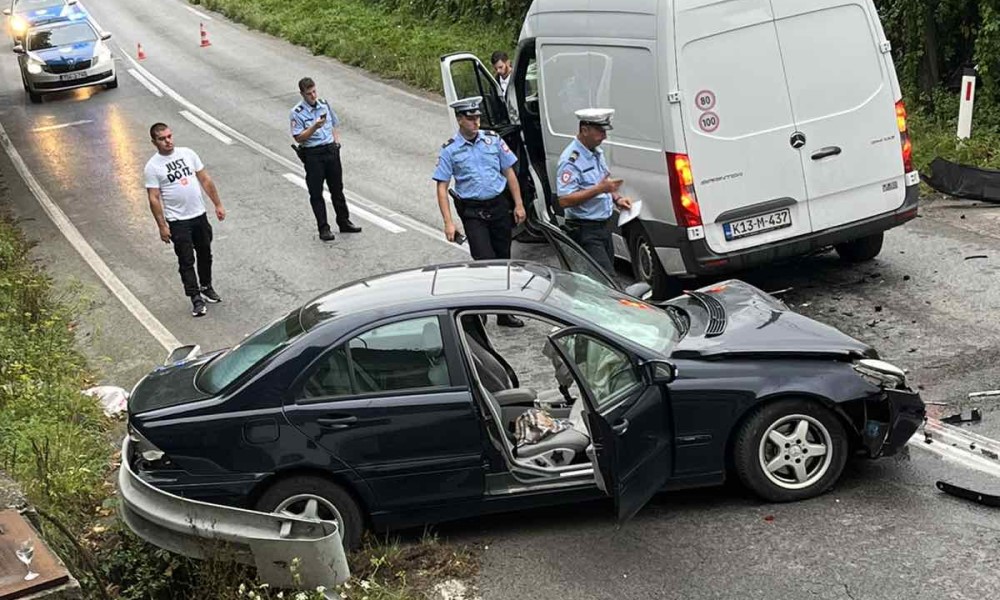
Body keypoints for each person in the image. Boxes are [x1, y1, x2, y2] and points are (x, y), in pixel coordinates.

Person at [433, 96, 527, 328]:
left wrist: (519, 204)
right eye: (471, 118)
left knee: (504, 261)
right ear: (459, 120)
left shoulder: (492, 141)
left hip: (498, 207)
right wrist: (448, 222)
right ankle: (483, 310)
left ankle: (504, 313)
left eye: (478, 117)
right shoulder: (450, 150)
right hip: (474, 213)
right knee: (485, 263)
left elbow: (509, 172)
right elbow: (442, 188)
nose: (476, 122)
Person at [144, 123, 226, 317]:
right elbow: (153, 198)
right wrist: (162, 226)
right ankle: (195, 297)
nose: (168, 141)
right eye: (162, 139)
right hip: (178, 220)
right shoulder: (153, 166)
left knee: (205, 253)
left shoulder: (188, 154)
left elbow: (205, 179)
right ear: (154, 142)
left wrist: (218, 204)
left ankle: (206, 286)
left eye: (169, 136)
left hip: (198, 214)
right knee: (186, 260)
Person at [555, 108, 633, 273]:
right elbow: (564, 200)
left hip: (603, 227)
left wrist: (617, 199)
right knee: (606, 281)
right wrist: (599, 189)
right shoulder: (570, 161)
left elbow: (603, 182)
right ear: (584, 130)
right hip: (584, 230)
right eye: (600, 131)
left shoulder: (596, 152)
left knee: (606, 275)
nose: (604, 136)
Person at [290, 77, 362, 241]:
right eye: (309, 94)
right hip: (313, 154)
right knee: (316, 193)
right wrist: (314, 127)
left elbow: (334, 123)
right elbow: (298, 138)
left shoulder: (324, 104)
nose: (313, 96)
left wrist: (336, 143)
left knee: (337, 189)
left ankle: (344, 221)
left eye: (314, 91)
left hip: (330, 150)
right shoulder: (297, 112)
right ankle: (323, 228)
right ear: (302, 94)